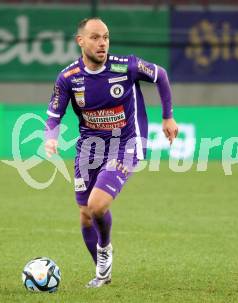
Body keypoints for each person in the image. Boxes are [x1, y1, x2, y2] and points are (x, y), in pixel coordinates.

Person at [44, 17, 178, 288]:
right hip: (89, 147)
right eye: (95, 37)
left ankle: (105, 250)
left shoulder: (126, 65)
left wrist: (168, 117)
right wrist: (50, 138)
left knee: (97, 205)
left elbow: (160, 75)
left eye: (105, 36)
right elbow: (54, 114)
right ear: (80, 41)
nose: (102, 42)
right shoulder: (68, 77)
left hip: (127, 142)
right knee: (85, 214)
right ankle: (102, 274)